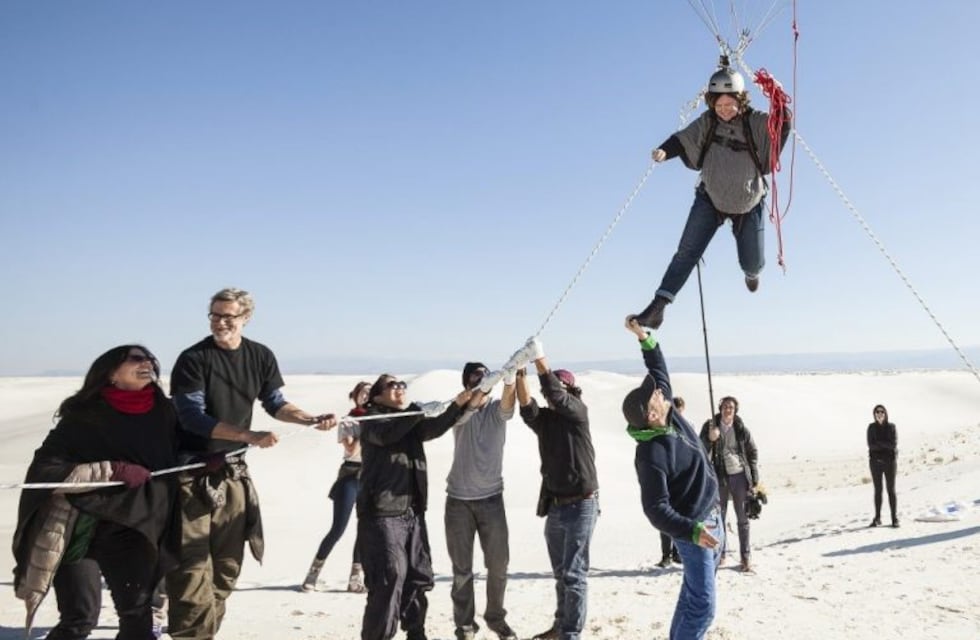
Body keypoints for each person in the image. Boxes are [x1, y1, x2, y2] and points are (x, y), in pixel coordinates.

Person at [167, 287, 336, 640]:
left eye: (228, 316)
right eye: (214, 315)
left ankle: (201, 634)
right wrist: (249, 436)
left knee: (226, 570)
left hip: (234, 475)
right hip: (190, 475)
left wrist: (309, 419)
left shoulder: (260, 356)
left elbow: (276, 403)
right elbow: (191, 416)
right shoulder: (193, 359)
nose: (220, 322)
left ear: (246, 318)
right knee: (191, 568)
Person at [13, 345, 181, 639]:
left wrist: (205, 460)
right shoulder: (85, 415)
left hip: (134, 526)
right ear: (111, 373)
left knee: (138, 618)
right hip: (79, 527)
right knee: (79, 619)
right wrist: (113, 470)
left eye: (150, 359)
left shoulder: (165, 412)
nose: (148, 363)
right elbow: (45, 470)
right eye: (136, 358)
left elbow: (175, 454)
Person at [631, 64, 793, 329]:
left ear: (741, 101)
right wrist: (663, 152)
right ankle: (657, 307)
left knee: (752, 261)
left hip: (748, 202)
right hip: (711, 199)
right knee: (686, 252)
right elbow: (682, 139)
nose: (725, 110)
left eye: (730, 104)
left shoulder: (755, 122)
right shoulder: (707, 122)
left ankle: (752, 273)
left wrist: (776, 95)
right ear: (711, 104)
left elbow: (781, 122)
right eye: (719, 105)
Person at [621, 319, 722, 640]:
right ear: (651, 414)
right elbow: (655, 509)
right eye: (654, 396)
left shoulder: (669, 415)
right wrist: (691, 531)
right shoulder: (650, 455)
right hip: (695, 531)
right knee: (703, 606)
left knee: (693, 596)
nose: (660, 392)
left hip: (713, 516)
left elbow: (658, 371)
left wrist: (643, 338)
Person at [357, 374, 475, 640]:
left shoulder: (408, 421)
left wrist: (458, 405)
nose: (399, 388)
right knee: (389, 578)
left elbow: (433, 428)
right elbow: (388, 436)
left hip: (412, 512)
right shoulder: (371, 419)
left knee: (417, 576)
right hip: (382, 513)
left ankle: (416, 633)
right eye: (392, 385)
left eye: (402, 384)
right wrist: (415, 411)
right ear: (376, 395)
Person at [515, 340, 599, 640]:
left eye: (562, 388)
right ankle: (561, 626)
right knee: (562, 574)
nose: (555, 394)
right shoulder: (547, 421)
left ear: (571, 391)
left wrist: (539, 357)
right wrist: (519, 372)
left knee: (575, 575)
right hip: (556, 505)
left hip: (582, 505)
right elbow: (527, 408)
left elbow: (553, 392)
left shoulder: (578, 412)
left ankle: (571, 634)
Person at [444, 362, 519, 640]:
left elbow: (509, 406)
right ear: (466, 382)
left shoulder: (496, 409)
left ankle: (495, 618)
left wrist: (510, 380)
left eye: (485, 373)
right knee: (462, 570)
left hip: (491, 500)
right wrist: (479, 390)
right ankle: (465, 626)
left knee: (498, 565)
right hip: (458, 501)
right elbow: (462, 414)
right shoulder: (460, 407)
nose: (482, 378)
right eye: (476, 375)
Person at [302, 380, 372, 593]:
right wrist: (365, 427)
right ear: (356, 396)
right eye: (363, 393)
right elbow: (351, 448)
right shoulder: (349, 420)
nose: (366, 396)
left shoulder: (379, 417)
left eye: (370, 392)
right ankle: (313, 573)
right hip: (350, 474)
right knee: (338, 528)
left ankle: (355, 577)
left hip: (371, 476)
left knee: (365, 528)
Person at [699, 396, 759, 572]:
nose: (728, 410)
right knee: (719, 518)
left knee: (743, 518)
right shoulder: (710, 426)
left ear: (735, 410)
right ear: (720, 408)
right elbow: (699, 448)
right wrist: (710, 438)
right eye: (725, 407)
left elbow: (752, 452)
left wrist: (754, 478)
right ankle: (721, 554)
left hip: (739, 476)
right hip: (719, 476)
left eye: (731, 407)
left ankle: (745, 557)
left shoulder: (741, 429)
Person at [656, 396, 686, 569]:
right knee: (665, 516)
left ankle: (677, 553)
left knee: (680, 516)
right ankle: (666, 554)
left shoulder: (687, 427)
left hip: (681, 477)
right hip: (666, 476)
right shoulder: (663, 428)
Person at [867, 404, 899, 528]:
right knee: (878, 490)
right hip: (875, 463)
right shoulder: (871, 428)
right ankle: (877, 518)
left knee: (891, 490)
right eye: (877, 412)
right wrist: (884, 445)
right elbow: (871, 445)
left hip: (890, 463)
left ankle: (894, 518)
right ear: (874, 414)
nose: (879, 414)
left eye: (882, 412)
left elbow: (893, 445)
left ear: (885, 413)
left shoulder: (891, 427)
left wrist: (879, 444)